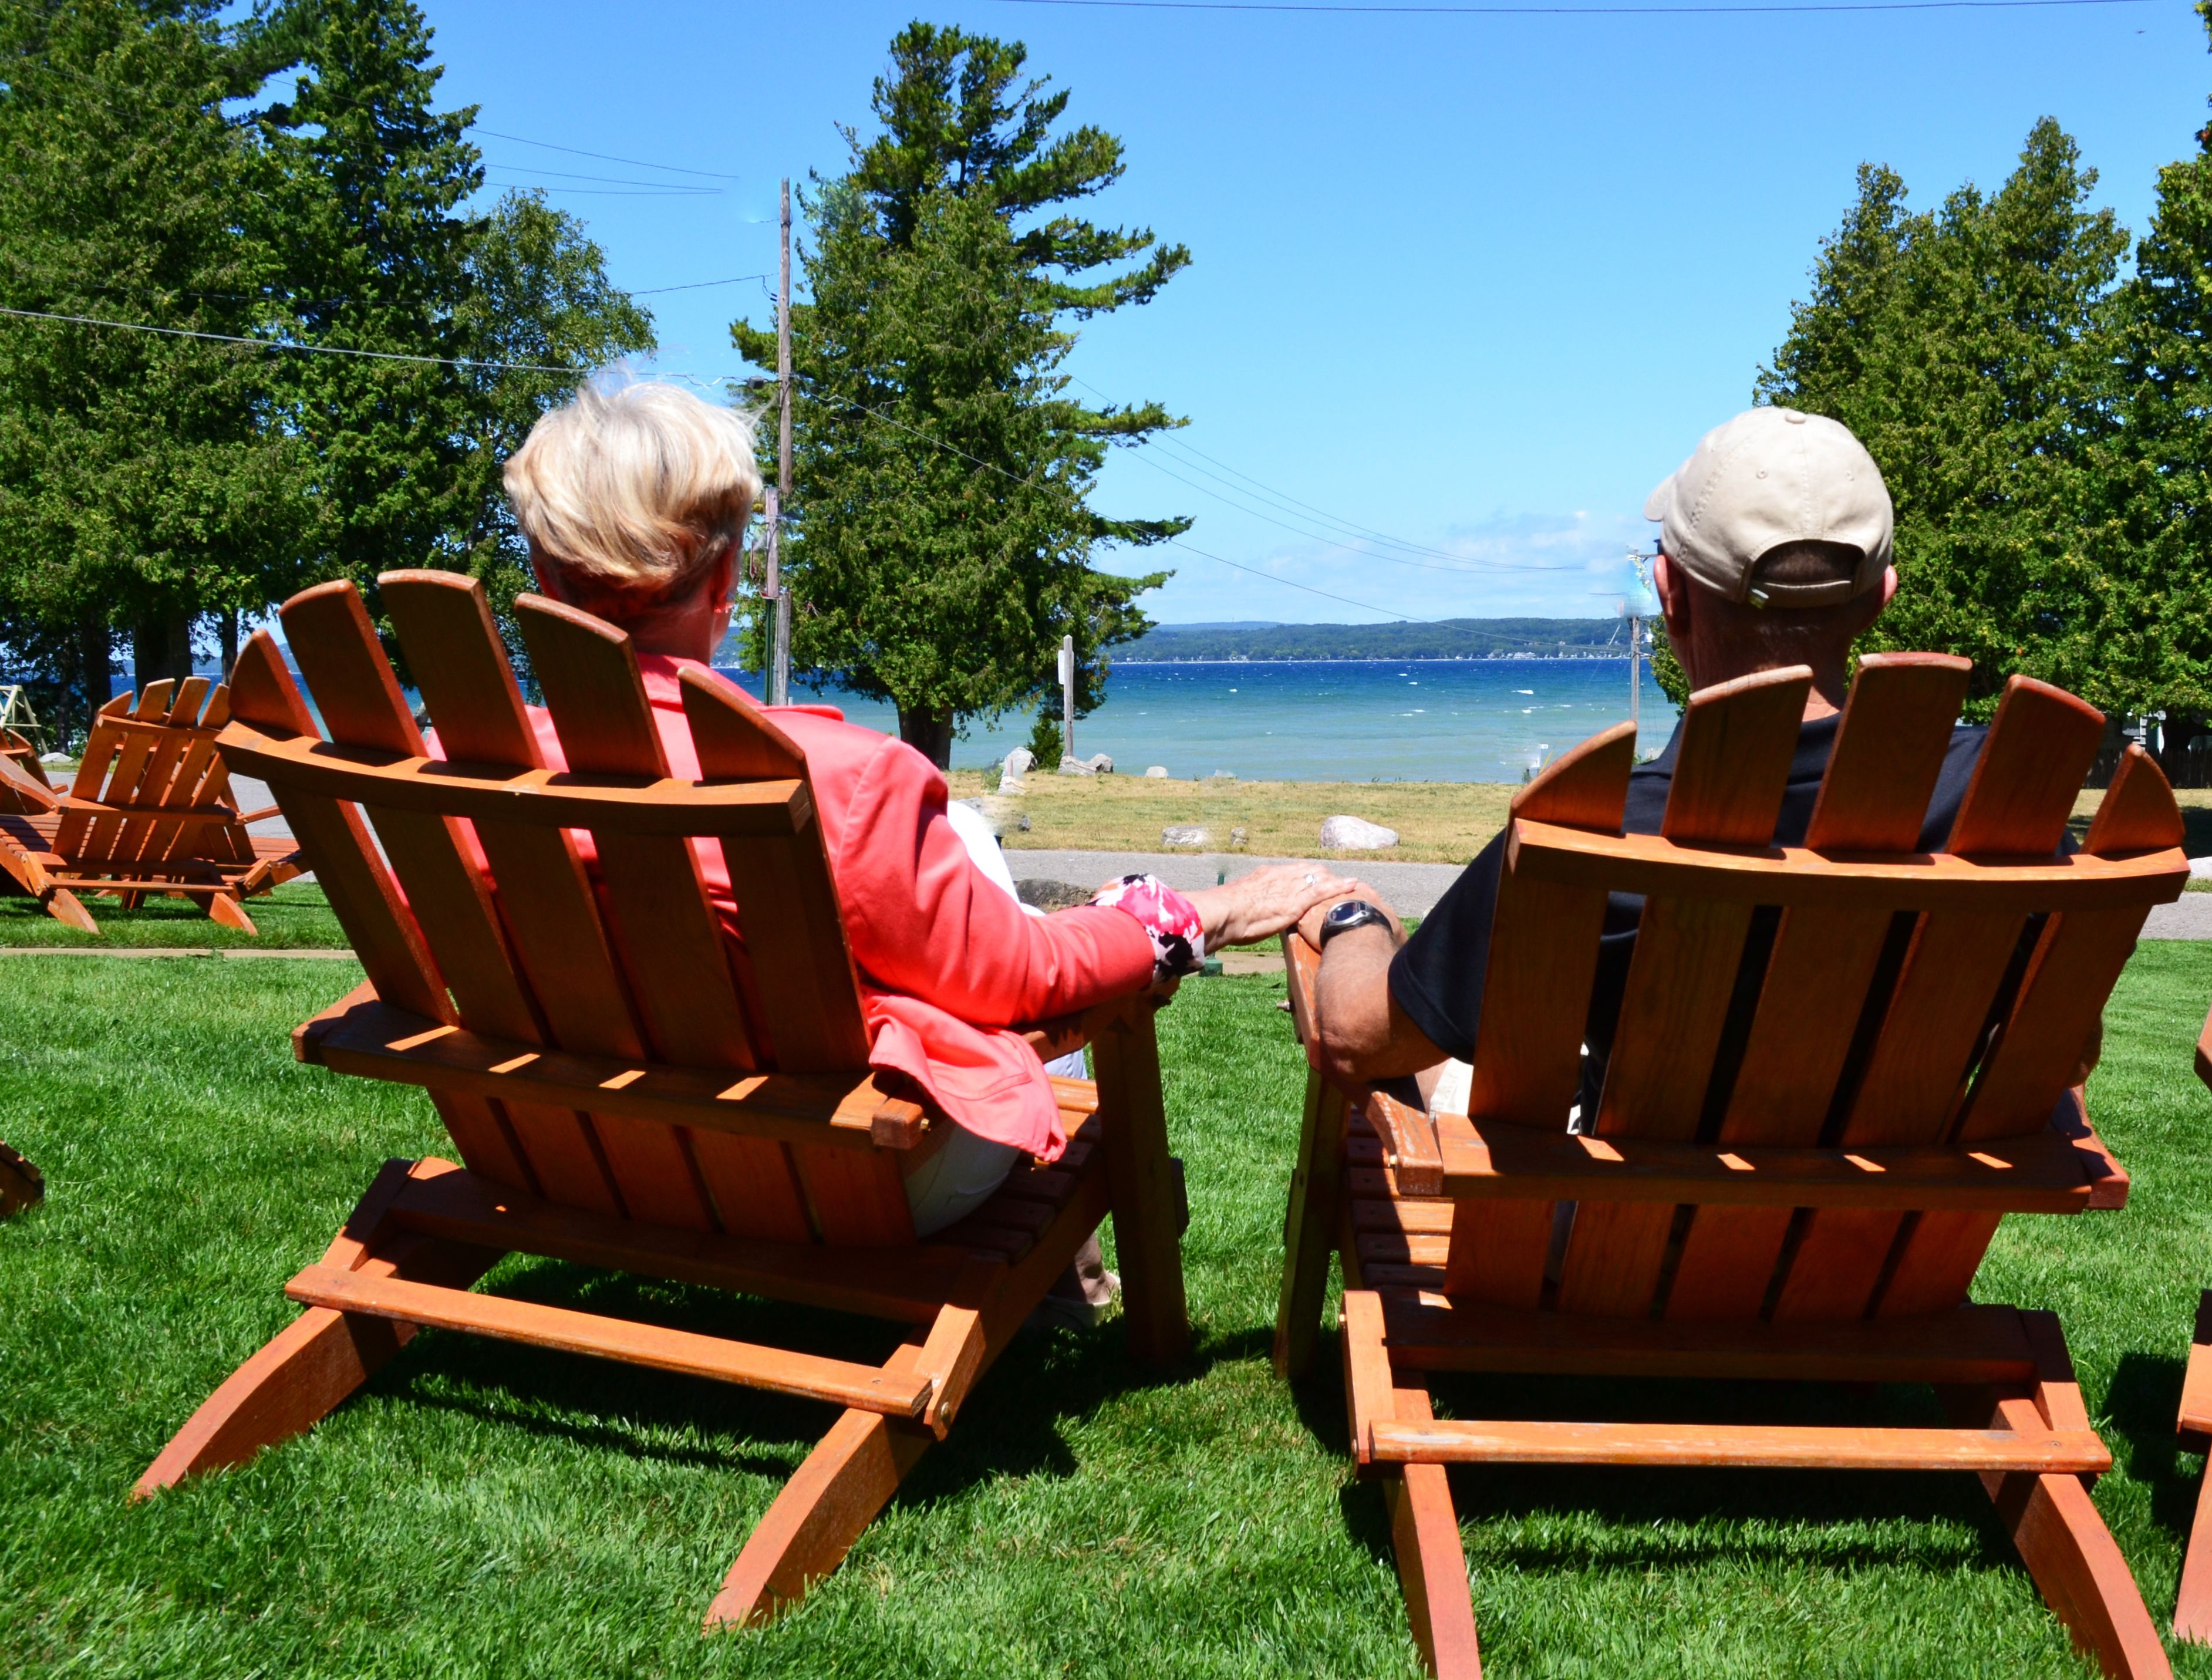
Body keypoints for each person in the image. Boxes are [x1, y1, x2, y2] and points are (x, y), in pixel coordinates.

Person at [498, 378, 1355, 1235]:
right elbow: (1028, 981)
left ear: (541, 575)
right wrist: (1198, 913)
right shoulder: (840, 781)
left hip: (571, 1150)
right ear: (726, 576)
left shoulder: (471, 764)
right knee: (994, 905)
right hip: (835, 1179)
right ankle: (1076, 1278)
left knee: (966, 836)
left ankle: (1075, 1279)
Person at [1303, 404, 2078, 1102]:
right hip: (1896, 1215)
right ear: (1881, 596)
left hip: (1624, 1218)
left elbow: (1356, 1039)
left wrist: (1355, 919)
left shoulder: (1594, 827)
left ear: (1669, 595)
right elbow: (2067, 1050)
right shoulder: (2001, 800)